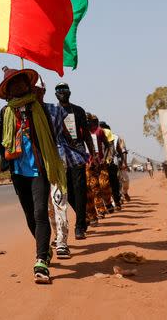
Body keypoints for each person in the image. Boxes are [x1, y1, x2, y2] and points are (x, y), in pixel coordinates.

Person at [0, 67, 67, 284]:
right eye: (13, 83)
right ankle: (45, 249)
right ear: (8, 90)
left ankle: (41, 261)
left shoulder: (40, 108)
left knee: (40, 212)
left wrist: (40, 98)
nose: (18, 85)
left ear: (28, 85)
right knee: (30, 216)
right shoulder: (5, 112)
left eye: (20, 81)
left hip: (39, 167)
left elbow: (54, 129)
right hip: (18, 170)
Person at [34, 78, 79, 260]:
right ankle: (56, 236)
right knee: (46, 206)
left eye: (37, 90)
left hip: (58, 159)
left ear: (43, 91)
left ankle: (62, 242)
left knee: (59, 200)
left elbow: (67, 135)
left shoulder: (56, 110)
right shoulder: (26, 113)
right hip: (38, 163)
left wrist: (75, 153)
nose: (34, 93)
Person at [54, 82, 96, 240]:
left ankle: (79, 227)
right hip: (61, 154)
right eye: (58, 90)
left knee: (80, 188)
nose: (62, 92)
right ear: (55, 94)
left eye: (64, 89)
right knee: (69, 191)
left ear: (69, 92)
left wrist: (92, 154)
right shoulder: (53, 111)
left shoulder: (78, 111)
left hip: (77, 152)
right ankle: (82, 216)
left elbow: (85, 133)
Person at [99, 121, 122, 210]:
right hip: (102, 162)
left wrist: (109, 158)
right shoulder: (93, 132)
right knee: (106, 184)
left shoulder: (108, 133)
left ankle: (115, 202)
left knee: (111, 183)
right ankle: (110, 203)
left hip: (108, 162)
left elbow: (111, 146)